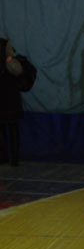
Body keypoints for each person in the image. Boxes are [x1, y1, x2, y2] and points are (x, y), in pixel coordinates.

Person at [0, 36, 35, 166]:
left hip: (9, 93)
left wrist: (9, 61)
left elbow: (16, 70)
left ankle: (9, 157)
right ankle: (9, 158)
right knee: (9, 127)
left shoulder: (4, 44)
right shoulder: (5, 43)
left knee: (9, 127)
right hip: (9, 93)